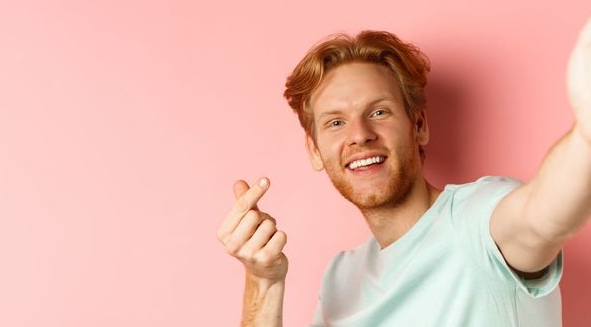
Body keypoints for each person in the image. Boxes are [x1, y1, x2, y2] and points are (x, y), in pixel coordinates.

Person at [216, 17, 591, 327]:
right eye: (335, 123)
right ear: (315, 151)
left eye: (379, 112)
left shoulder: (475, 220)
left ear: (419, 125)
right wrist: (263, 282)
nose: (359, 135)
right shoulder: (340, 276)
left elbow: (543, 216)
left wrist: (586, 136)